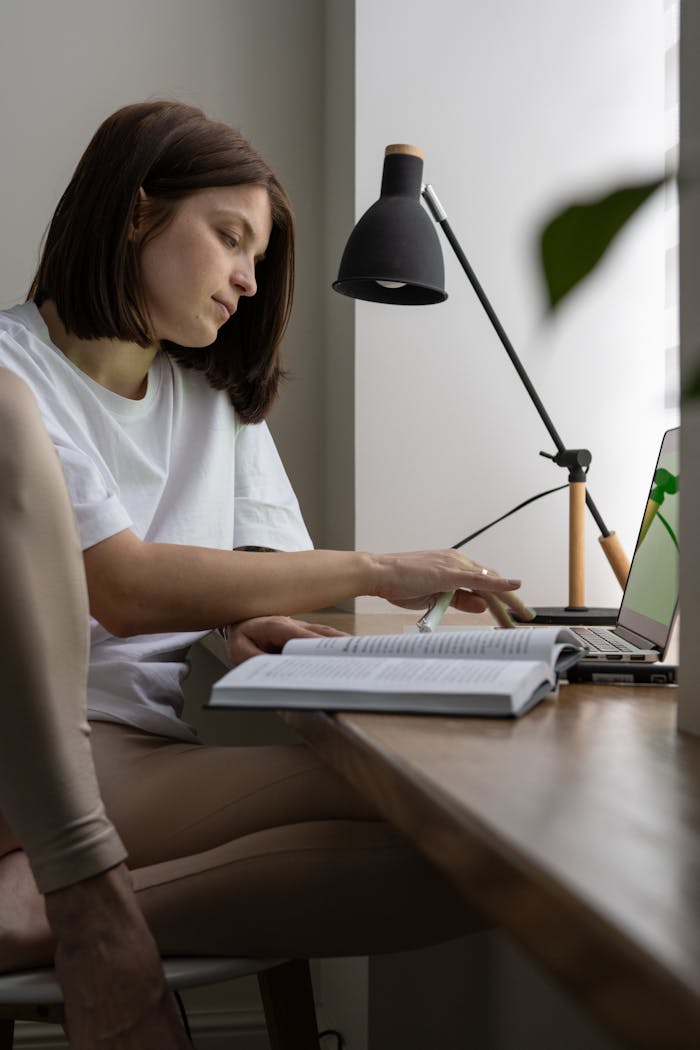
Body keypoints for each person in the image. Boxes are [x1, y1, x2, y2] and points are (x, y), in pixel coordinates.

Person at [0, 100, 531, 1043]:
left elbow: (260, 573)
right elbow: (120, 586)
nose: (248, 280)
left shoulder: (212, 394)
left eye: (258, 255)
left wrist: (241, 625)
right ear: (135, 215)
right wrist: (378, 567)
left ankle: (52, 910)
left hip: (145, 751)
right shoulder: (14, 380)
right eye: (230, 238)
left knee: (475, 843)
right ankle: (60, 895)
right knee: (469, 829)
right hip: (40, 763)